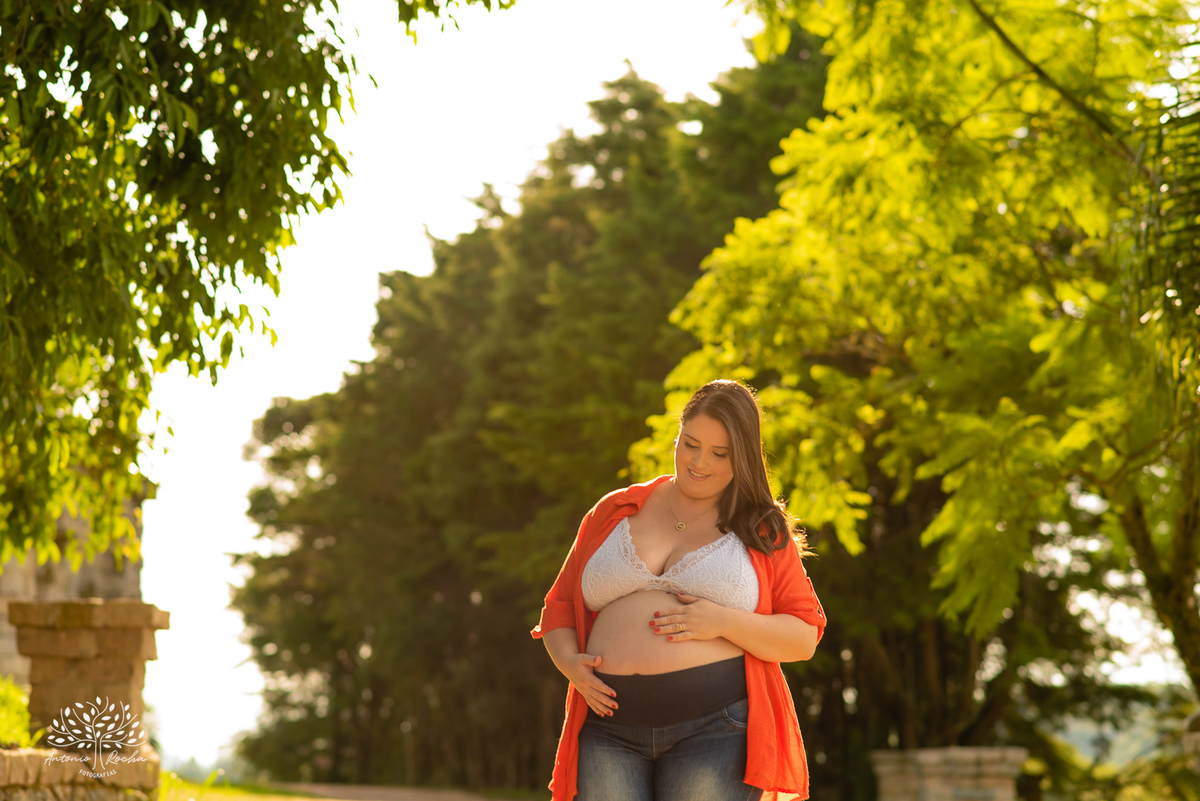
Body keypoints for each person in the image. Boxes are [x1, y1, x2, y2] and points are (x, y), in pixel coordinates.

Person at [530, 379, 827, 801]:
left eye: (719, 453)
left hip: (716, 729)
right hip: (607, 729)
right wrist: (569, 664)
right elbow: (558, 607)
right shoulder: (613, 510)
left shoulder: (760, 528)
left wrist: (723, 621)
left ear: (742, 458)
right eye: (690, 443)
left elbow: (803, 636)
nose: (698, 462)